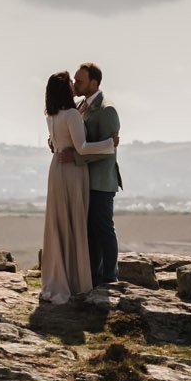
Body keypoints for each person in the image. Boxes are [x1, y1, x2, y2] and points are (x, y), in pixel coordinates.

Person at [39, 71, 115, 306]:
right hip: (73, 172)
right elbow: (81, 147)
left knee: (60, 223)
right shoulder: (72, 113)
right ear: (65, 89)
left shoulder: (51, 115)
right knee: (75, 222)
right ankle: (76, 279)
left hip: (56, 170)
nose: (74, 84)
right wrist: (110, 143)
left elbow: (55, 144)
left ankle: (58, 276)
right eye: (71, 82)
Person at [73, 62, 121, 286]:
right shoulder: (81, 106)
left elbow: (108, 150)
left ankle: (110, 275)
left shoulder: (107, 110)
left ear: (94, 82)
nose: (75, 84)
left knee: (103, 229)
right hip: (85, 179)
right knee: (90, 231)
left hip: (101, 181)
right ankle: (93, 274)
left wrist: (76, 157)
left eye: (79, 81)